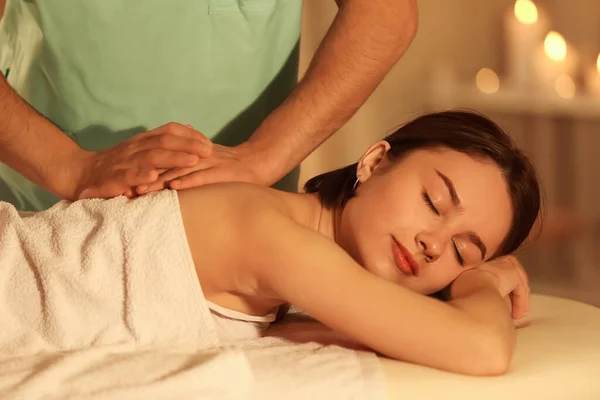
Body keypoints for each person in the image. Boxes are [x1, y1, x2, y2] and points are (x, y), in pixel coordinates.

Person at [0, 111, 541, 376]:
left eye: (463, 251)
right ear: (375, 161)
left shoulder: (295, 264)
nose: (432, 244)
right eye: (433, 202)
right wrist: (482, 278)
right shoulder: (270, 234)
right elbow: (483, 348)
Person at [0, 0, 418, 210]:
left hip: (230, 228)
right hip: (39, 216)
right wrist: (69, 167)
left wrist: (262, 158)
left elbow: (385, 13)